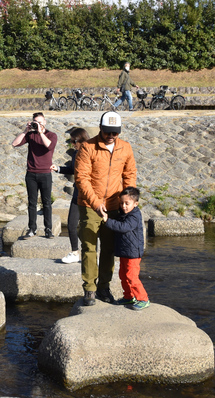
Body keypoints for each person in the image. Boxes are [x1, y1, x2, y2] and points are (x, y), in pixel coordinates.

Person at [74, 111, 137, 306]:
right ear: (100, 128)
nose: (111, 136)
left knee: (109, 250)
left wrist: (129, 201)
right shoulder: (87, 147)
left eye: (115, 133)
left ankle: (103, 288)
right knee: (89, 248)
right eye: (108, 132)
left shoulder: (125, 148)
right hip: (89, 206)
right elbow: (81, 179)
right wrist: (95, 203)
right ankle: (89, 289)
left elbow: (130, 174)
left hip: (114, 208)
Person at [100, 186, 149, 310]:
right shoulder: (124, 213)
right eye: (121, 203)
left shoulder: (134, 216)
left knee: (132, 276)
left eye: (127, 203)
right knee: (123, 275)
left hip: (133, 253)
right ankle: (128, 296)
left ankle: (143, 298)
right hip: (125, 251)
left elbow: (124, 227)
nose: (124, 206)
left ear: (135, 204)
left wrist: (107, 221)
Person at [12, 112, 58, 238]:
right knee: (32, 203)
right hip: (31, 174)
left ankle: (48, 229)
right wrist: (25, 130)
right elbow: (15, 143)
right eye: (35, 122)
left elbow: (49, 146)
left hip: (45, 174)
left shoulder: (51, 135)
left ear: (45, 122)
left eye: (40, 122)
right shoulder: (30, 135)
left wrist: (41, 132)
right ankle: (32, 229)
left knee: (46, 203)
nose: (37, 124)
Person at [50, 127, 89, 263]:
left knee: (89, 226)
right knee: (72, 224)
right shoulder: (75, 153)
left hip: (89, 194)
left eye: (72, 141)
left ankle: (90, 254)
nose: (71, 144)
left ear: (78, 139)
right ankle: (74, 252)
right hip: (77, 192)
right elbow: (72, 169)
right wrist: (58, 169)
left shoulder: (91, 152)